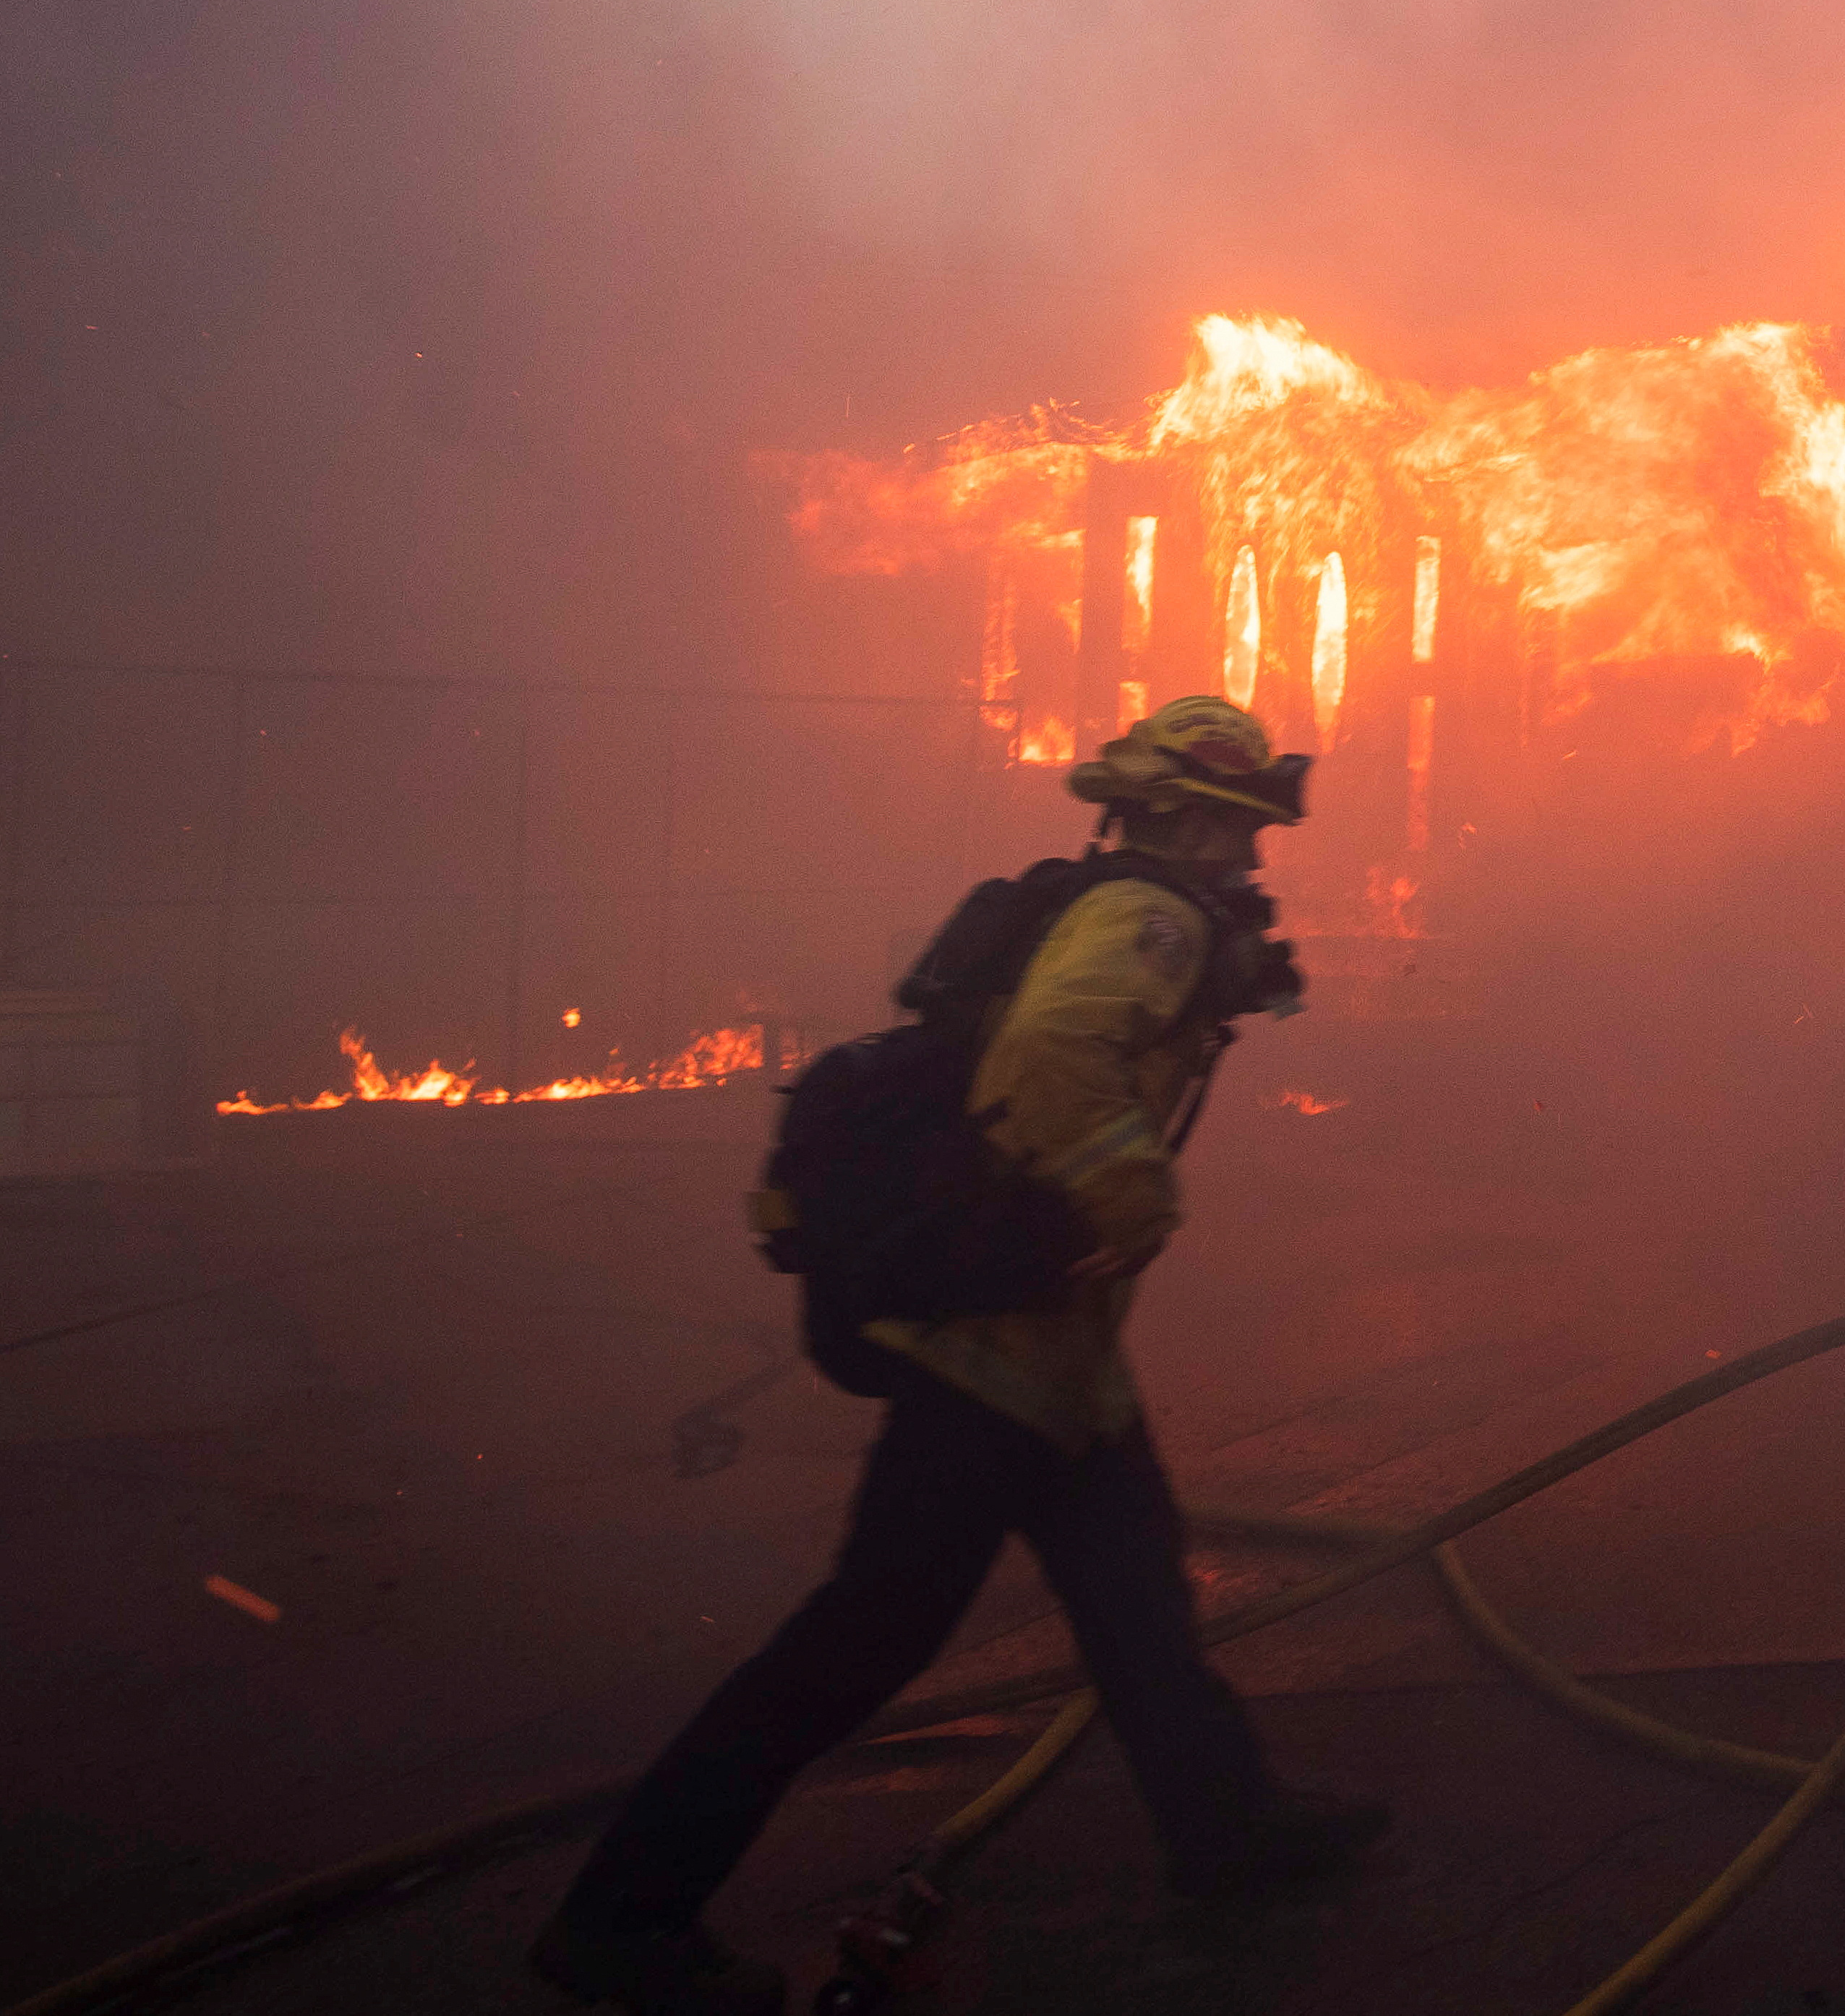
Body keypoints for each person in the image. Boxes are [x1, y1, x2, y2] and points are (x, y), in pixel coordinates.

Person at [534, 697, 1387, 2016]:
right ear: (1180, 815)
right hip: (991, 1361)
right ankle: (620, 1923)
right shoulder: (1147, 919)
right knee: (856, 1645)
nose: (1248, 857)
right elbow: (1052, 1050)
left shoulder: (1104, 902)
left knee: (1138, 1603)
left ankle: (1228, 1826)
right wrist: (1130, 1195)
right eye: (1234, 826)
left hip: (1057, 1362)